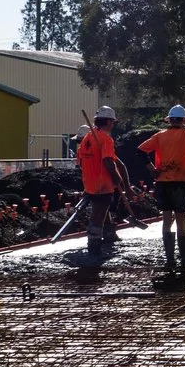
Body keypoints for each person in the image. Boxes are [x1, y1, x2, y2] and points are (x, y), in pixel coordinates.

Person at [138, 105, 185, 272]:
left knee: (167, 221)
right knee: (181, 221)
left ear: (169, 119)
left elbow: (139, 151)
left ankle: (170, 258)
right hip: (179, 182)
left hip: (162, 183)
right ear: (183, 120)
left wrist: (151, 169)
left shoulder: (159, 136)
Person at [76, 107, 127, 257]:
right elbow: (108, 162)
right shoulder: (105, 139)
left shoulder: (87, 139)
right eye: (112, 122)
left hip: (91, 184)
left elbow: (82, 163)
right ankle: (94, 246)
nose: (113, 125)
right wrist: (118, 179)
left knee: (101, 212)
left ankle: (107, 236)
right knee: (98, 215)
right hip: (102, 184)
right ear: (108, 121)